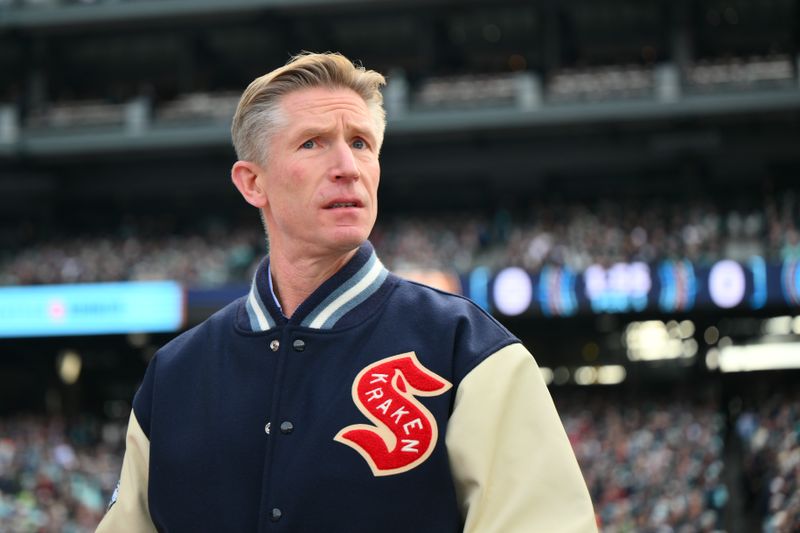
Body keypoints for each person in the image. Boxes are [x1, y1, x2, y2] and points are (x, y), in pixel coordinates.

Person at [97, 52, 597, 533]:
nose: (347, 166)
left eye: (360, 143)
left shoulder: (469, 350)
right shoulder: (174, 375)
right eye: (312, 143)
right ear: (253, 183)